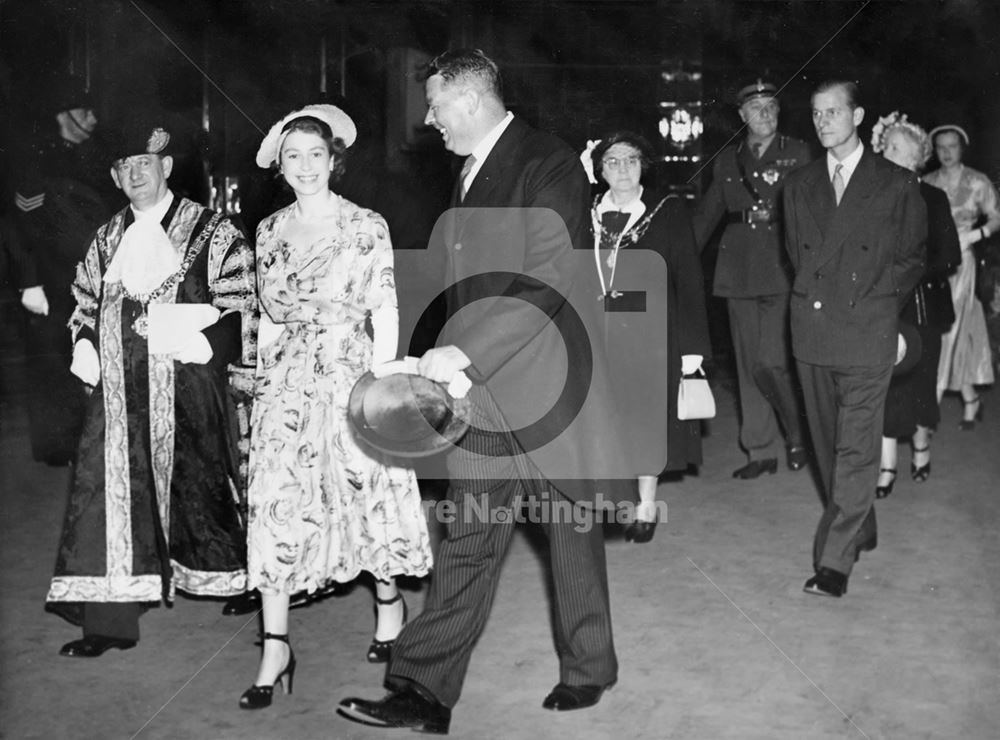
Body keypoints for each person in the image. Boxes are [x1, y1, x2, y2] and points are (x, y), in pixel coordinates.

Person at [338, 49, 627, 734]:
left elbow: (547, 278)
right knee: (467, 532)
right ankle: (423, 693)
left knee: (571, 531)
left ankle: (590, 667)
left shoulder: (547, 161)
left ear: (468, 101)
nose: (430, 119)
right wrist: (424, 350)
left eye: (435, 106)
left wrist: (466, 348)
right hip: (482, 389)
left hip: (549, 381)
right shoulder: (466, 171)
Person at [241, 105, 432, 710]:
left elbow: (386, 308)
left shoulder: (364, 225)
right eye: (292, 156)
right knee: (276, 500)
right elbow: (267, 319)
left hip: (352, 371)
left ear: (334, 160)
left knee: (365, 491)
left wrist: (381, 384)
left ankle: (389, 604)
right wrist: (260, 383)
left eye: (315, 155)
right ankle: (275, 645)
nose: (304, 166)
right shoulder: (268, 231)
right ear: (280, 165)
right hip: (288, 381)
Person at [45, 120, 259, 656]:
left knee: (205, 487)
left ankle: (240, 576)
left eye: (145, 163)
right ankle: (109, 622)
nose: (136, 173)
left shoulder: (212, 231)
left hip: (190, 386)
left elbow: (243, 301)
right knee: (105, 491)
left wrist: (210, 339)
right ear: (116, 178)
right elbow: (85, 302)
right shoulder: (106, 237)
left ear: (166, 168)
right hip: (118, 394)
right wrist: (85, 343)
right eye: (125, 167)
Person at [783, 80, 926, 598]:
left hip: (867, 330)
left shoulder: (894, 182)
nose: (823, 122)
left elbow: (911, 257)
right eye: (817, 114)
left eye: (834, 112)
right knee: (826, 446)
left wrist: (872, 296)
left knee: (856, 449)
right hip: (814, 331)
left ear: (858, 115)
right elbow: (799, 260)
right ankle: (859, 521)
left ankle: (835, 563)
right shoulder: (798, 185)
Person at [584, 131, 711, 543]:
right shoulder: (586, 213)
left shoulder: (665, 211)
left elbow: (689, 280)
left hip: (650, 334)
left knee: (645, 419)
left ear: (643, 166)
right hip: (597, 333)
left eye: (632, 160)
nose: (623, 169)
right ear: (600, 170)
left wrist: (692, 352)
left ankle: (645, 504)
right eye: (613, 162)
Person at [693, 79, 810, 479]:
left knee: (770, 362)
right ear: (741, 116)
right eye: (756, 108)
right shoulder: (727, 161)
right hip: (738, 268)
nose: (765, 114)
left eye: (771, 107)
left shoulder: (797, 153)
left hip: (781, 265)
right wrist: (674, 258)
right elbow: (706, 217)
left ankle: (797, 433)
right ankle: (759, 450)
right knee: (746, 364)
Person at [10, 76, 120, 465]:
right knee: (51, 364)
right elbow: (19, 226)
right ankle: (57, 450)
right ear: (65, 114)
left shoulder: (91, 157)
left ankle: (81, 443)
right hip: (50, 283)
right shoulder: (37, 159)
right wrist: (29, 282)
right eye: (84, 110)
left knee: (82, 358)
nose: (92, 118)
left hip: (87, 280)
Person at [870, 113, 960, 497]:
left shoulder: (933, 199)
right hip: (884, 309)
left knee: (922, 381)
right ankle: (887, 464)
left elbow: (950, 256)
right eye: (885, 147)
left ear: (913, 158)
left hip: (923, 307)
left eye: (894, 149)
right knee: (886, 385)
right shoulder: (873, 197)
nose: (883, 153)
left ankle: (921, 448)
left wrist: (906, 273)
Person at [923, 124, 999, 427]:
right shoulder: (928, 181)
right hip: (934, 265)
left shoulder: (977, 181)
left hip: (963, 263)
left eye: (952, 146)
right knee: (947, 328)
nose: (946, 152)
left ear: (961, 148)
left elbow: (997, 217)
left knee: (950, 328)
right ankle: (970, 398)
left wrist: (976, 234)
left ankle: (934, 399)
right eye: (941, 147)